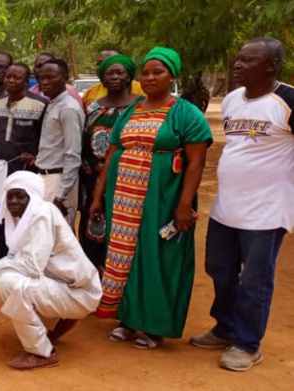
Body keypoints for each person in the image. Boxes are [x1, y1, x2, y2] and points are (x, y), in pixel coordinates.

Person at [89, 47, 212, 349]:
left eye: (158, 72)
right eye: (145, 72)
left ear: (172, 76)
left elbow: (196, 162)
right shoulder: (130, 111)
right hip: (123, 199)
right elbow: (112, 153)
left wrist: (184, 205)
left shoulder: (186, 113)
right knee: (124, 254)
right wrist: (97, 197)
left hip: (163, 197)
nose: (150, 77)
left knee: (159, 256)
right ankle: (128, 318)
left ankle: (154, 326)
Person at [189, 37, 293, 372]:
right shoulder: (233, 99)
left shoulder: (288, 100)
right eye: (238, 58)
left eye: (248, 60)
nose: (237, 65)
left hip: (267, 213)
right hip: (226, 209)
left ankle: (247, 345)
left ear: (271, 66)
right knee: (219, 270)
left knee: (255, 281)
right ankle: (225, 328)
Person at [0, 171, 102, 370]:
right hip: (65, 286)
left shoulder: (42, 214)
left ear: (32, 197)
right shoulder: (25, 218)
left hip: (78, 292)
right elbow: (17, 259)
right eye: (10, 196)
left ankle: (41, 353)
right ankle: (55, 326)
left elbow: (31, 267)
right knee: (2, 276)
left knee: (9, 282)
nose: (13, 201)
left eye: (20, 196)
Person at [78, 54, 140, 269]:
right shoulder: (92, 108)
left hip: (128, 181)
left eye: (119, 72)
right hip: (91, 183)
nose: (114, 77)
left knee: (125, 234)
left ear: (128, 77)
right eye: (109, 73)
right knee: (92, 233)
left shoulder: (140, 107)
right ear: (102, 79)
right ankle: (95, 280)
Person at [35, 58, 85, 227]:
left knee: (58, 234)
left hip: (60, 180)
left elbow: (73, 154)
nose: (45, 82)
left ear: (65, 78)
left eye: (51, 77)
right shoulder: (53, 104)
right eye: (42, 78)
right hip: (45, 178)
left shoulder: (68, 108)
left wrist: (60, 195)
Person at [0, 62, 46, 174]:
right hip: (1, 168)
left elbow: (46, 138)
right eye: (8, 77)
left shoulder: (40, 105)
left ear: (26, 82)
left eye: (16, 78)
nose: (11, 81)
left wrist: (37, 158)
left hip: (27, 169)